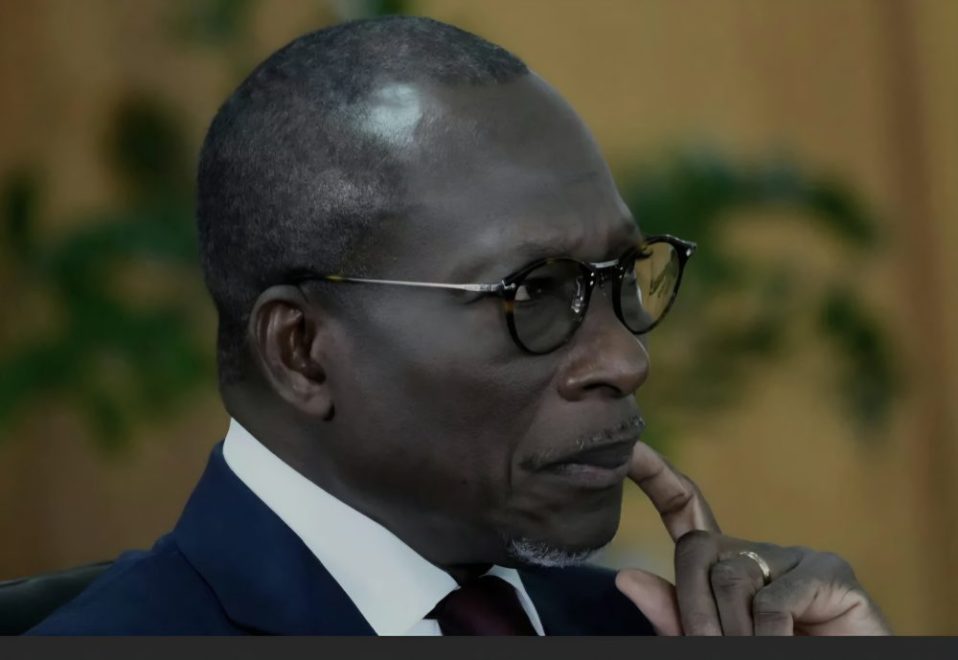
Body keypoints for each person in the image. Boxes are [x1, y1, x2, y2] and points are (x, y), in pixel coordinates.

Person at [27, 16, 890, 636]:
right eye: (533, 293)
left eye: (624, 275)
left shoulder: (649, 626)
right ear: (302, 352)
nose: (626, 359)